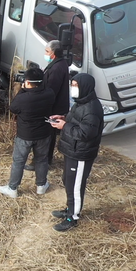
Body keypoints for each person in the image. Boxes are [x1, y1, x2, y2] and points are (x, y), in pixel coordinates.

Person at [49, 72, 103, 232]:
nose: (73, 89)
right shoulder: (81, 102)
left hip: (81, 153)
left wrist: (64, 126)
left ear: (85, 87)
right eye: (72, 85)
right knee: (67, 180)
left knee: (75, 186)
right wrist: (63, 118)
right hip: (72, 150)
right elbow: (76, 120)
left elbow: (86, 134)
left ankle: (73, 217)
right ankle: (69, 208)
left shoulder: (92, 109)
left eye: (75, 86)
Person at [0, 67, 55, 198]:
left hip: (25, 135)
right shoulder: (50, 93)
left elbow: (13, 108)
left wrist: (22, 89)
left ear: (27, 82)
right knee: (41, 160)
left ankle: (13, 188)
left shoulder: (23, 98)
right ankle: (41, 185)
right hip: (44, 133)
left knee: (19, 161)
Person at [43, 40, 70, 165]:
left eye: (47, 51)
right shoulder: (61, 63)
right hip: (57, 105)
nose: (45, 54)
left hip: (53, 108)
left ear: (54, 53)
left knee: (48, 135)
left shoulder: (56, 68)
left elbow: (51, 89)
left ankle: (45, 160)